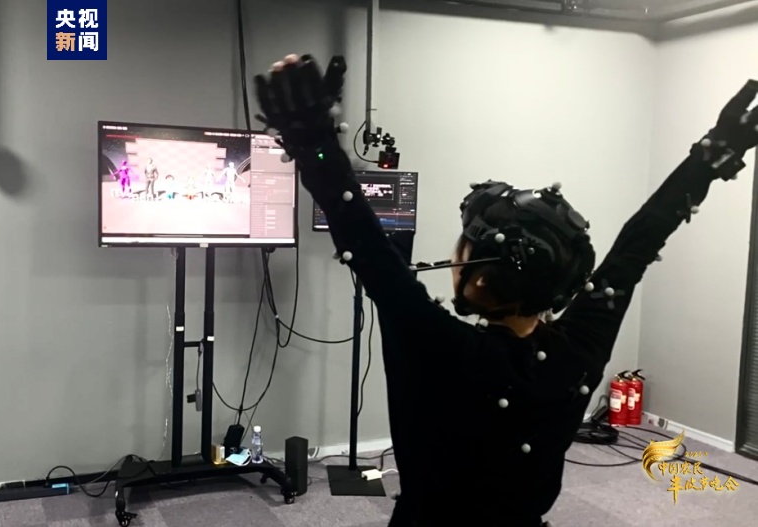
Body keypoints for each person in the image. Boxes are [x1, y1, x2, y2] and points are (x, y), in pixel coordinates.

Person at [254, 54, 758, 526]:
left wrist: (314, 143)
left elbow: (360, 234)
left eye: (463, 248)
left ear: (477, 276)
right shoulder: (579, 350)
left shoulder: (434, 341)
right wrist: (708, 161)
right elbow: (636, 246)